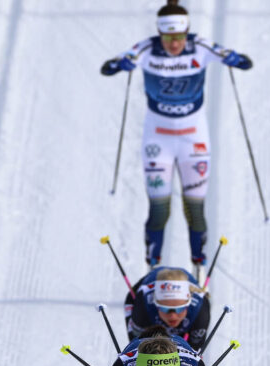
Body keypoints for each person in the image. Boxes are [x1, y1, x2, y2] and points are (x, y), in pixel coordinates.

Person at [100, 0, 252, 267]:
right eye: (168, 37)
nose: (174, 44)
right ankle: (152, 267)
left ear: (187, 33)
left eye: (179, 37)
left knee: (195, 209)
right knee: (159, 209)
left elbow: (244, 62)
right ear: (160, 34)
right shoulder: (146, 49)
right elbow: (109, 67)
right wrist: (118, 64)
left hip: (194, 139)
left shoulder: (201, 46)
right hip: (158, 139)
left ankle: (199, 265)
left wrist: (235, 59)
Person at [125, 266, 211, 351]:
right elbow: (135, 347)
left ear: (188, 304)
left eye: (179, 309)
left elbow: (195, 348)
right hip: (146, 287)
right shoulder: (142, 306)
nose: (173, 316)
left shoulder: (200, 309)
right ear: (156, 305)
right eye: (165, 309)